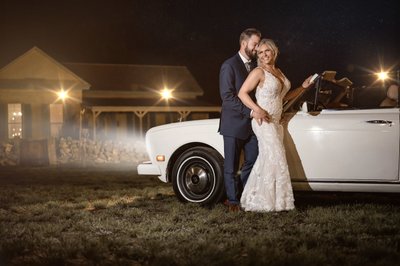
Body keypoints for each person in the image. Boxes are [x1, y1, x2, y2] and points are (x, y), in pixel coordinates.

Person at [238, 38, 314, 212]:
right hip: (263, 122)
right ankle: (267, 202)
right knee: (276, 157)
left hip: (277, 122)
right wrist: (256, 110)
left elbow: (283, 97)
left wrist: (303, 87)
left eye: (267, 51)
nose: (264, 55)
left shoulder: (278, 71)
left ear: (274, 51)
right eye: (260, 52)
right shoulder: (258, 72)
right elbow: (242, 93)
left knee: (268, 159)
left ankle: (269, 201)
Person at [218, 28, 268, 212]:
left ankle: (241, 193)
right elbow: (227, 97)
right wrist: (250, 112)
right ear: (244, 43)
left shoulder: (256, 67)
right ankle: (232, 201)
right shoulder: (229, 65)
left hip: (252, 125)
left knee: (253, 159)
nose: (257, 48)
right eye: (255, 44)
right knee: (230, 166)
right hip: (233, 124)